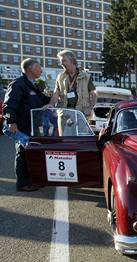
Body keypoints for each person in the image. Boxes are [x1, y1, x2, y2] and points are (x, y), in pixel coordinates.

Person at [2, 58, 50, 191]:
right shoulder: (18, 84)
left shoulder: (34, 85)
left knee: (31, 153)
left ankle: (32, 180)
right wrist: (11, 121)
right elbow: (10, 104)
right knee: (22, 153)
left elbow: (42, 101)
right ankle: (23, 183)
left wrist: (56, 97)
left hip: (32, 126)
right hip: (21, 126)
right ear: (30, 69)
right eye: (39, 67)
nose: (41, 70)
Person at [45, 50, 96, 135]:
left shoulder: (86, 76)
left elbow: (93, 94)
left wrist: (90, 108)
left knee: (80, 139)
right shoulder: (60, 77)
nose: (61, 64)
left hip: (81, 113)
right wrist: (51, 104)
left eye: (64, 61)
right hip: (64, 113)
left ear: (72, 61)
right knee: (66, 140)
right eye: (61, 62)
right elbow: (55, 93)